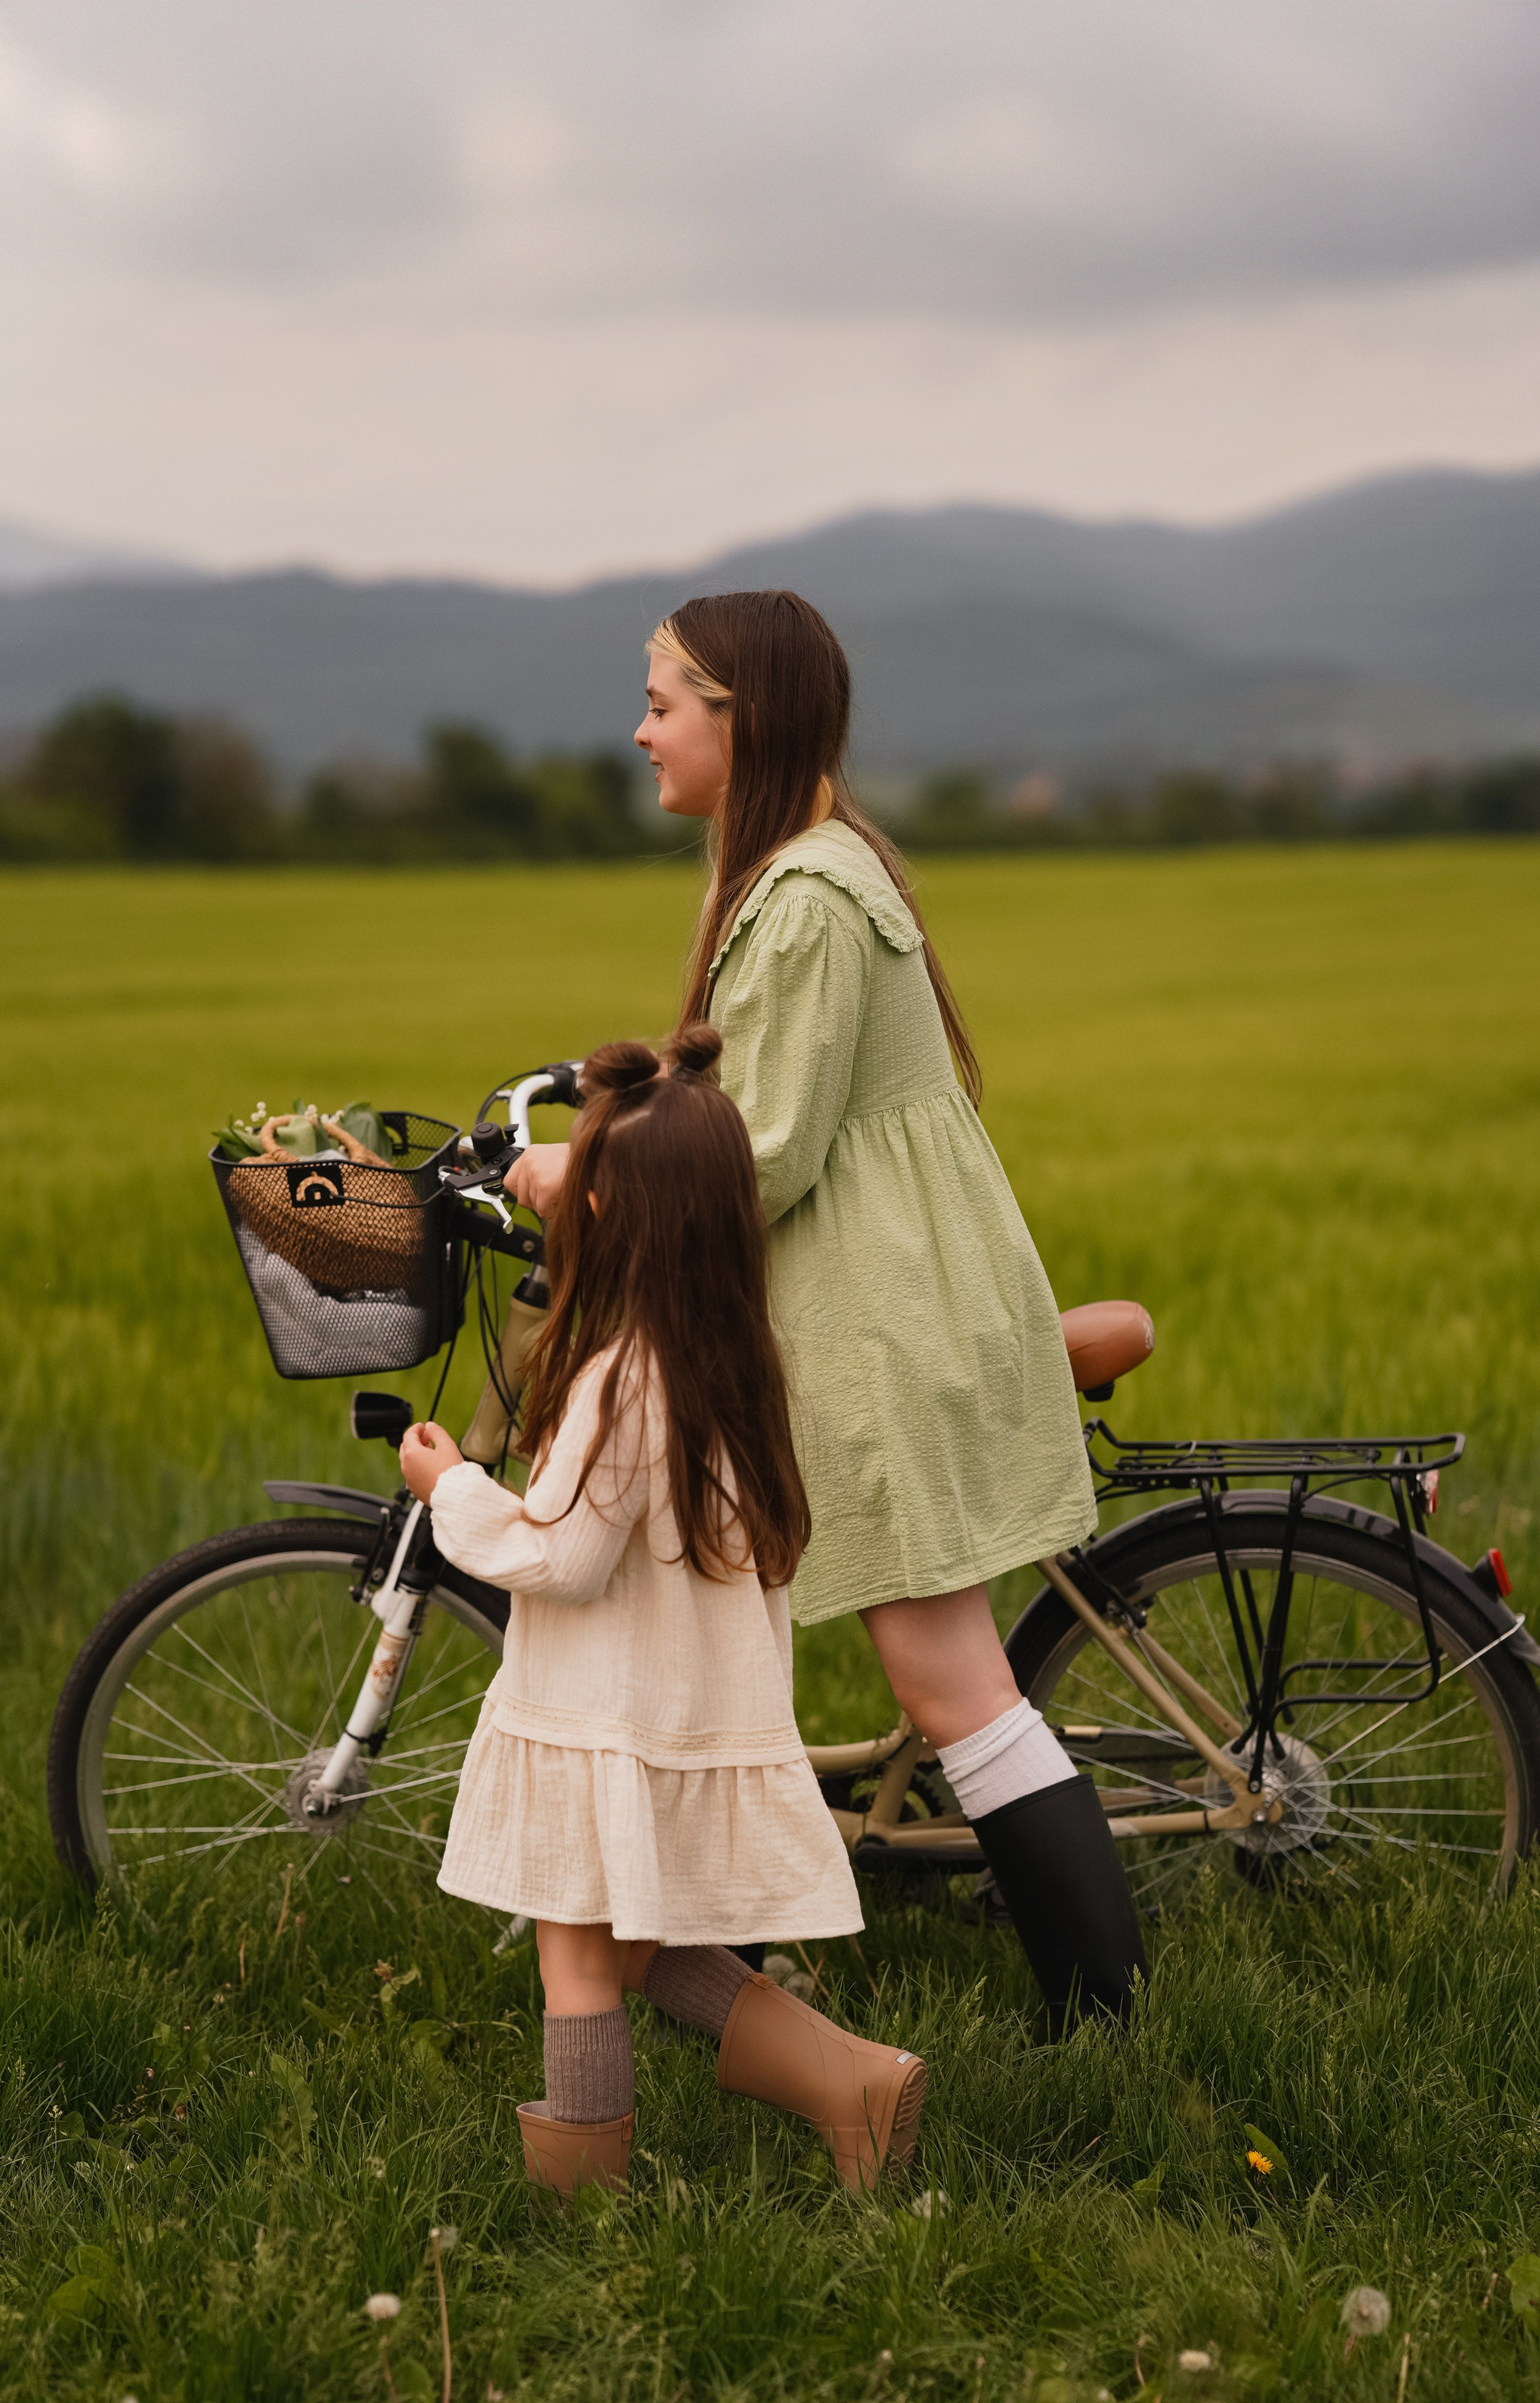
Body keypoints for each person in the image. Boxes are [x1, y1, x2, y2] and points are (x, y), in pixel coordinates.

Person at [507, 591, 1147, 2030]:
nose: (641, 727)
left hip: (881, 1326)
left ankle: (1106, 2023)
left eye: (664, 701)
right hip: (888, 1298)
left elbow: (764, 1151)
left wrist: (578, 1169)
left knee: (952, 1684)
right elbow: (750, 1105)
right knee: (932, 1672)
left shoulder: (800, 898)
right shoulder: (815, 872)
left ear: (742, 718)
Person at [400, 1029, 928, 2197]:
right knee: (640, 1942)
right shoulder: (735, 1359)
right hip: (681, 1709)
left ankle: (582, 2211)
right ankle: (856, 2083)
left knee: (580, 1950)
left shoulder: (614, 1374)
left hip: (607, 1712)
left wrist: (454, 1492)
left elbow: (566, 1557)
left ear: (601, 1211)